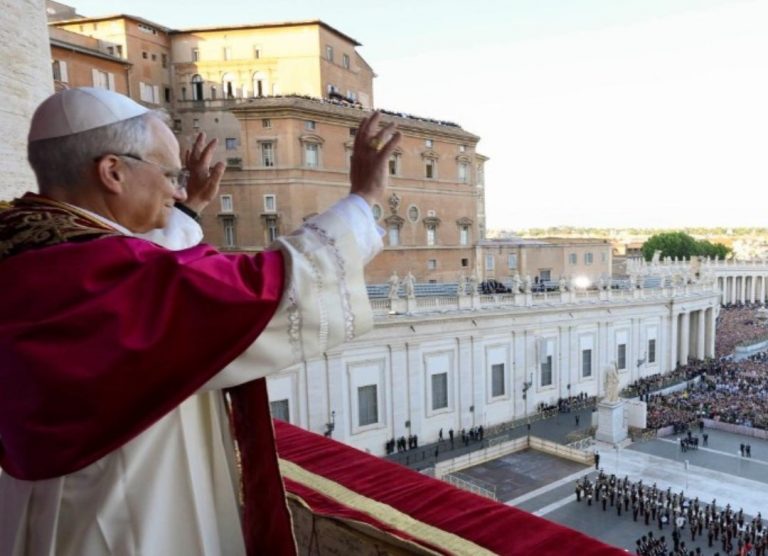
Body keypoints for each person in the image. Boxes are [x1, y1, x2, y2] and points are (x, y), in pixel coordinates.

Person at [0, 88, 401, 555]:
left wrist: (186, 211)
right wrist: (362, 200)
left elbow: (158, 273)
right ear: (112, 172)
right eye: (167, 175)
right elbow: (262, 290)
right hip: (120, 514)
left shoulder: (30, 247)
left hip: (42, 504)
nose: (175, 189)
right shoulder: (108, 273)